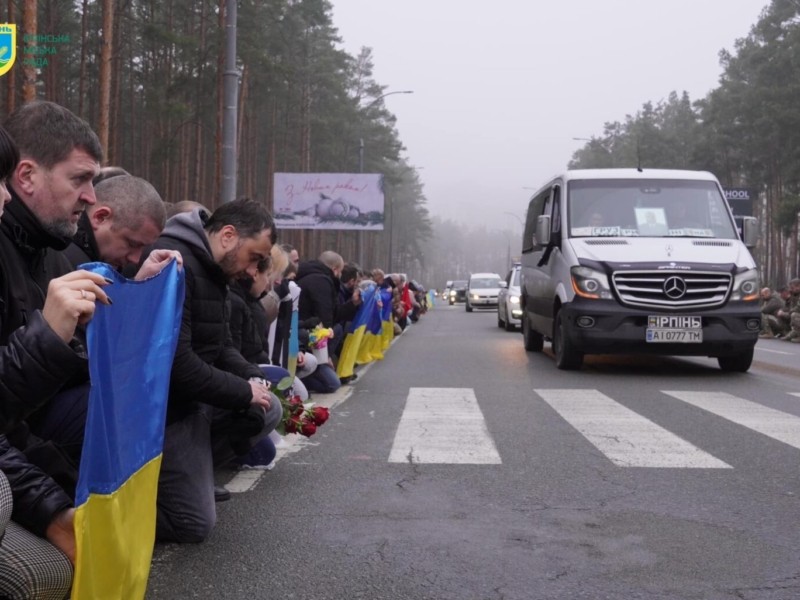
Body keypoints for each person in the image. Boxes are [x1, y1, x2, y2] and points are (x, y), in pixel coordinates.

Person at [148, 199, 283, 543]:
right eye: (254, 257)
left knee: (270, 406)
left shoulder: (215, 271)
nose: (253, 271)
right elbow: (177, 365)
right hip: (167, 409)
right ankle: (147, 495)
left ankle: (192, 473)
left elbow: (221, 346)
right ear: (228, 235)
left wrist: (252, 375)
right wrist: (241, 391)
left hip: (195, 401)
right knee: (194, 524)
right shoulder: (175, 262)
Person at [64, 174, 167, 271]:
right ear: (100, 217)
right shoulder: (58, 262)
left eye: (143, 248)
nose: (135, 259)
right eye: (132, 244)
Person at [780, 278, 800, 343]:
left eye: (792, 287)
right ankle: (791, 334)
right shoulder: (794, 295)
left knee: (794, 315)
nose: (790, 290)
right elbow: (789, 307)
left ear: (798, 286)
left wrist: (788, 312)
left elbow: (798, 307)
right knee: (787, 314)